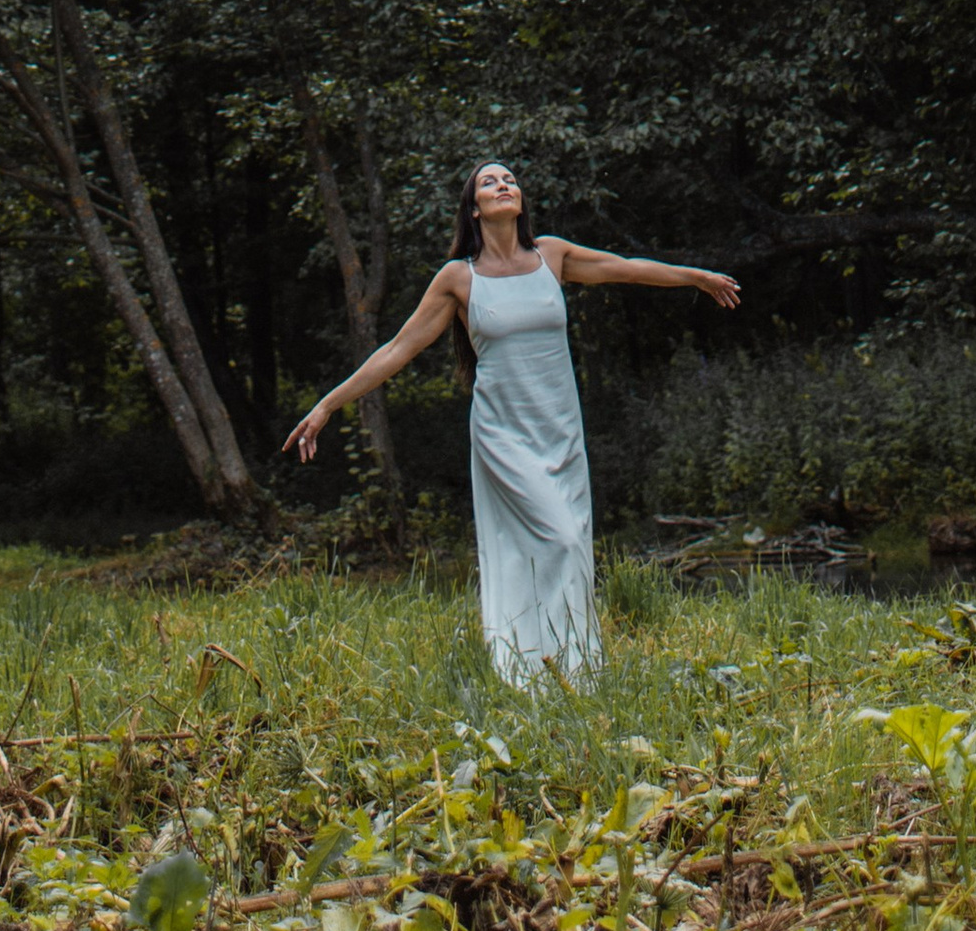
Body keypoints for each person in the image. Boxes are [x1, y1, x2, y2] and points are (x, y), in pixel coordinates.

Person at [283, 159, 740, 685]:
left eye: (510, 180)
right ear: (474, 209)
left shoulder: (551, 255)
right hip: (503, 434)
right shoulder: (459, 278)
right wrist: (327, 405)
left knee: (570, 546)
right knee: (560, 539)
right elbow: (397, 349)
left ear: (519, 201)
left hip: (561, 431)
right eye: (489, 182)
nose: (504, 185)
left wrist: (695, 278)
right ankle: (529, 666)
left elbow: (626, 267)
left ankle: (570, 670)